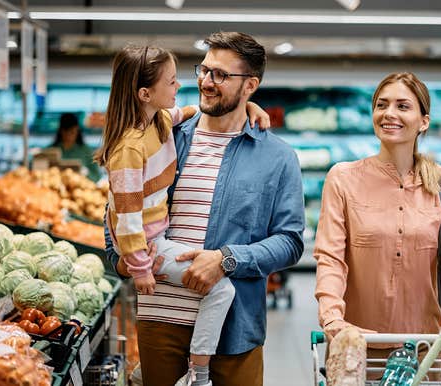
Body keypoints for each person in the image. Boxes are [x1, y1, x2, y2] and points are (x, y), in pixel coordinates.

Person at [104, 32, 305, 386]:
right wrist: (123, 262)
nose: (206, 82)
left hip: (233, 327)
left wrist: (226, 259)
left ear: (250, 85)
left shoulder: (277, 158)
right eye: (205, 70)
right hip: (160, 319)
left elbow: (290, 242)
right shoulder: (166, 133)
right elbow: (119, 207)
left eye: (221, 76)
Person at [314, 72, 441, 380]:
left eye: (403, 106)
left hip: (424, 350)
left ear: (423, 121)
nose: (389, 113)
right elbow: (330, 259)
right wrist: (332, 318)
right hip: (357, 346)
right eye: (381, 105)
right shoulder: (343, 178)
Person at [50, 112, 101, 181]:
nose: (68, 136)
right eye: (66, 132)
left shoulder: (86, 151)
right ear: (60, 131)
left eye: (72, 132)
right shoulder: (50, 150)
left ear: (77, 130)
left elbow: (97, 176)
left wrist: (86, 173)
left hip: (81, 189)